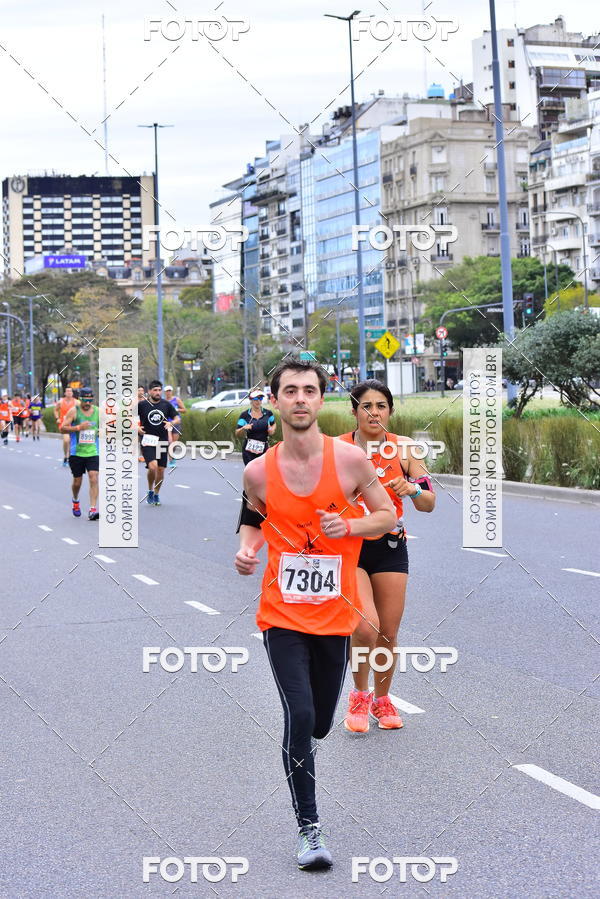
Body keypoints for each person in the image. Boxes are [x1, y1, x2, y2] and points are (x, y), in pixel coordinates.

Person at [234, 359, 395, 870]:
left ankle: (312, 738)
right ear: (275, 400)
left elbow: (387, 514)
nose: (300, 398)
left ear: (321, 400)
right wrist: (246, 548)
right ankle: (309, 830)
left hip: (334, 617)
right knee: (299, 716)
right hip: (281, 615)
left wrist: (350, 529)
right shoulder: (257, 470)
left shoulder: (350, 462)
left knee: (321, 723)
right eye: (290, 391)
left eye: (309, 390)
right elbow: (251, 513)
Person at [337, 380, 435, 733]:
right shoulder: (338, 449)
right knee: (366, 626)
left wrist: (412, 489)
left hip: (391, 546)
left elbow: (428, 503)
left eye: (381, 406)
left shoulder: (405, 449)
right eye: (366, 406)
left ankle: (382, 699)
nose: (374, 412)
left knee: (388, 633)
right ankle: (359, 695)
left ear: (390, 411)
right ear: (354, 411)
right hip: (351, 547)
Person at [137, 379, 179, 506]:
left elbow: (177, 417)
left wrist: (172, 422)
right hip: (148, 440)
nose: (158, 392)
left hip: (162, 441)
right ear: (149, 391)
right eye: (155, 390)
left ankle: (156, 493)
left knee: (160, 470)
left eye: (159, 390)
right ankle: (150, 489)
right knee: (153, 467)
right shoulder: (142, 405)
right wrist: (136, 427)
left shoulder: (166, 405)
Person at [60, 386, 100, 520]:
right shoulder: (73, 411)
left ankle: (92, 509)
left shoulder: (98, 412)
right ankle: (75, 500)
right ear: (80, 399)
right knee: (77, 481)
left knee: (94, 477)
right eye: (85, 400)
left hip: (93, 451)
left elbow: (108, 427)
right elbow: (62, 429)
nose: (88, 403)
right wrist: (78, 427)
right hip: (76, 452)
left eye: (90, 400)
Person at [235, 389, 276, 465]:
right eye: (256, 399)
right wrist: (243, 428)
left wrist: (271, 429)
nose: (258, 401)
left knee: (263, 472)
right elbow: (237, 433)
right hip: (248, 451)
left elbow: (273, 424)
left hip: (264, 448)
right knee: (251, 473)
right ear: (250, 399)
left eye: (260, 398)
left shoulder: (268, 413)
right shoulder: (244, 415)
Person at [55, 387, 78, 466]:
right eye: (67, 391)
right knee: (66, 440)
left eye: (70, 391)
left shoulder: (76, 402)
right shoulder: (61, 402)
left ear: (72, 393)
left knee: (73, 442)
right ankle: (66, 456)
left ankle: (71, 456)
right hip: (64, 424)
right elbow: (55, 410)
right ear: (65, 393)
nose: (69, 392)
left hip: (74, 425)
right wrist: (57, 418)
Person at [164, 385, 186, 467]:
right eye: (167, 391)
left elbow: (184, 410)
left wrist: (177, 409)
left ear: (171, 391)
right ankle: (171, 459)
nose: (168, 392)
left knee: (174, 442)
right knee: (169, 442)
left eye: (170, 391)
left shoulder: (176, 399)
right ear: (165, 392)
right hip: (167, 423)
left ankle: (172, 458)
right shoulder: (163, 401)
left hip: (176, 423)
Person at [137, 385, 146, 462]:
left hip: (143, 423)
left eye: (142, 390)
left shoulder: (146, 400)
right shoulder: (132, 401)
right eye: (139, 390)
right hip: (134, 423)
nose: (140, 392)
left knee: (143, 440)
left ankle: (142, 456)